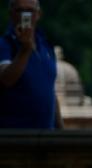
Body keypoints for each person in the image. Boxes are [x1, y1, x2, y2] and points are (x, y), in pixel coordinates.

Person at [0, 0, 62, 129]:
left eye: (30, 10)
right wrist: (25, 49)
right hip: (14, 138)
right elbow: (6, 79)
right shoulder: (4, 44)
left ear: (38, 14)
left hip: (46, 137)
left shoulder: (46, 45)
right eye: (20, 10)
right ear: (11, 14)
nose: (25, 15)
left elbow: (49, 89)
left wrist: (61, 130)